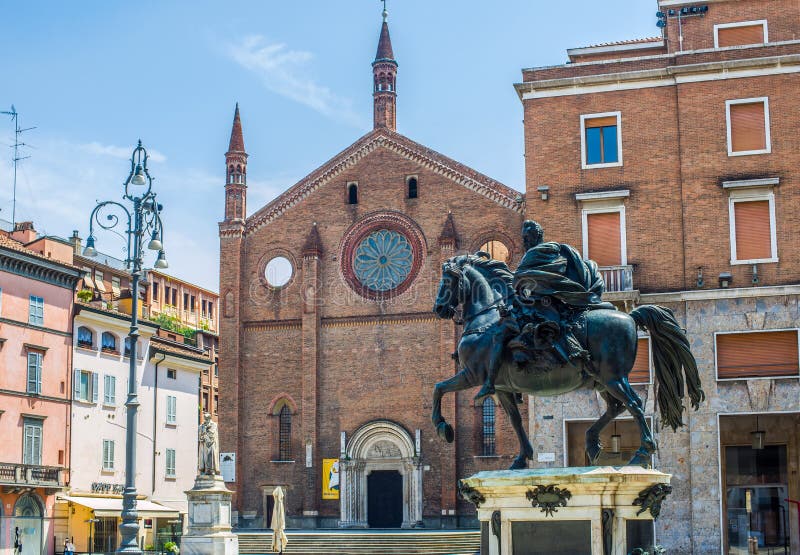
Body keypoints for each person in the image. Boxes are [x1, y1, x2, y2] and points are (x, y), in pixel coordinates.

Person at [474, 220, 615, 399]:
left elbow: (520, 282)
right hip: (551, 304)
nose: (525, 242)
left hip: (542, 307)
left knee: (500, 333)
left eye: (527, 237)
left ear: (537, 236)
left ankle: (493, 384)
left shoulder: (534, 254)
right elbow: (531, 281)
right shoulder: (555, 251)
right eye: (524, 238)